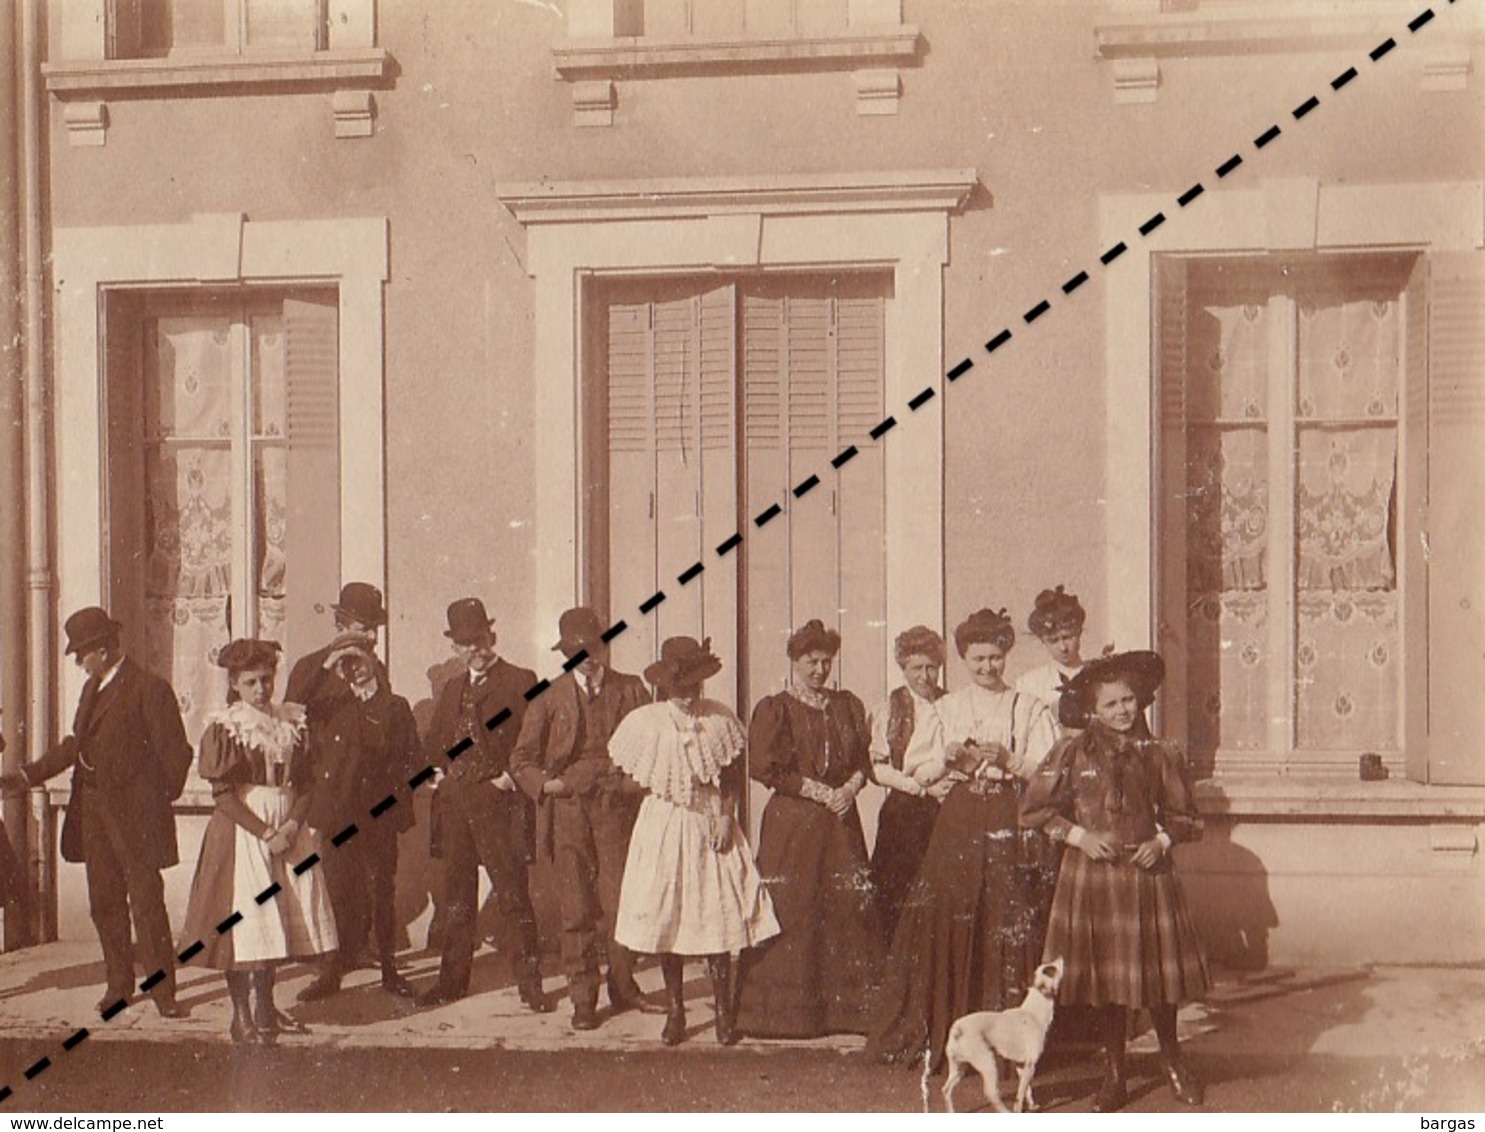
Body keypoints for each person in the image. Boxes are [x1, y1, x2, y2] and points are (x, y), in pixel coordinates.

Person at [866, 607, 1058, 1072]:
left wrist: (1010, 760)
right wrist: (949, 760)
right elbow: (919, 768)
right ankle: (950, 1030)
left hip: (1007, 819)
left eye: (995, 657)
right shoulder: (947, 708)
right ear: (963, 659)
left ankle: (1007, 1040)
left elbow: (1050, 773)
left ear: (1006, 655)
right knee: (952, 915)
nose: (988, 667)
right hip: (959, 820)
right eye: (978, 659)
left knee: (1004, 915)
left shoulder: (1028, 707)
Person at [1020, 650, 1209, 1112]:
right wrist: (1079, 836)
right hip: (1094, 876)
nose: (1123, 711)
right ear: (1092, 710)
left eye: (1129, 701)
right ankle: (1115, 1074)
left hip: (1147, 875)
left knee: (1157, 978)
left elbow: (1188, 818)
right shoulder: (1070, 751)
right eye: (1111, 705)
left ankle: (1172, 1060)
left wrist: (1162, 841)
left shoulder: (1162, 753)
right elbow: (1033, 812)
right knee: (1109, 980)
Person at [0, 607, 192, 1018]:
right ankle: (118, 986)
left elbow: (177, 755)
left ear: (101, 650)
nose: (78, 662)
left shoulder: (148, 688)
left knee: (146, 902)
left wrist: (151, 801)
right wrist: (25, 776)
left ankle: (164, 994)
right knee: (104, 902)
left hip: (135, 820)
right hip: (93, 814)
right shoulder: (92, 689)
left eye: (81, 654)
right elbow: (75, 745)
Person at [610, 637, 780, 1046]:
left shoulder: (719, 719)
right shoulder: (644, 722)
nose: (687, 695)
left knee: (713, 912)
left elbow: (734, 776)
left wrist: (726, 815)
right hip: (665, 822)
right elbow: (621, 780)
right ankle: (676, 1011)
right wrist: (659, 779)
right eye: (679, 687)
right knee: (670, 916)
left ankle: (723, 1012)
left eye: (693, 687)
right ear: (665, 687)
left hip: (708, 823)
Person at [178, 639, 337, 1043]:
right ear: (234, 683)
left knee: (278, 922)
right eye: (250, 683)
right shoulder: (226, 727)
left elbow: (306, 784)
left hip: (288, 831)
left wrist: (291, 827)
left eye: (266, 680)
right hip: (242, 833)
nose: (261, 690)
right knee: (246, 924)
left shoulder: (292, 722)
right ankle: (241, 1015)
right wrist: (265, 831)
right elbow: (223, 796)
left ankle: (266, 1008)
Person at [733, 619, 883, 1039]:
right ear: (794, 661)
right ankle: (789, 1016)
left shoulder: (847, 705)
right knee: (794, 907)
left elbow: (863, 761)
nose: (819, 669)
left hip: (840, 822)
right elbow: (766, 767)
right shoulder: (775, 708)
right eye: (810, 661)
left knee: (846, 906)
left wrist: (849, 789)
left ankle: (848, 1014)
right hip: (794, 824)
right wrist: (822, 792)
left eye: (825, 661)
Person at [511, 606, 655, 1031]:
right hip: (568, 812)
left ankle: (623, 986)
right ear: (565, 654)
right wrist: (547, 786)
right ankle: (583, 997)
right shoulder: (548, 696)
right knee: (575, 908)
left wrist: (629, 785)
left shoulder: (631, 690)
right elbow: (520, 760)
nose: (587, 658)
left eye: (592, 648)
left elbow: (649, 750)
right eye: (577, 651)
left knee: (619, 904)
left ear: (603, 647)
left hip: (616, 811)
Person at [417, 598, 548, 1011]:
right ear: (454, 648)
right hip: (456, 803)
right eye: (464, 643)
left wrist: (509, 779)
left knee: (512, 894)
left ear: (492, 635)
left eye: (478, 639)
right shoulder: (453, 687)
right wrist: (440, 776)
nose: (473, 649)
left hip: (498, 802)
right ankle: (451, 982)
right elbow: (435, 744)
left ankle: (530, 985)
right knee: (456, 895)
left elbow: (536, 741)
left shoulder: (519, 679)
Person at [296, 636, 420, 1002]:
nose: (355, 668)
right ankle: (330, 974)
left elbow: (414, 760)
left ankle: (389, 971)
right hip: (337, 816)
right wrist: (327, 660)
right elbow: (295, 702)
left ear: (374, 662)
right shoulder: (329, 707)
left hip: (378, 817)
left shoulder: (395, 707)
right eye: (348, 664)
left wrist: (397, 803)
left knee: (381, 892)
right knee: (335, 893)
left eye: (360, 659)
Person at [866, 625, 948, 944]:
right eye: (917, 668)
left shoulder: (951, 704)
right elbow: (877, 768)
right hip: (905, 808)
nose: (925, 677)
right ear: (903, 668)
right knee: (896, 886)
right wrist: (919, 788)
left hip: (944, 807)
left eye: (931, 667)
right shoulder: (888, 709)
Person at [284, 582, 390, 711]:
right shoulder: (308, 667)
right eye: (365, 630)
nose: (373, 637)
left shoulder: (377, 669)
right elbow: (290, 717)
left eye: (375, 629)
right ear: (341, 629)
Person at [1016, 585, 1101, 731]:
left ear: (1079, 632)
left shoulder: (1098, 675)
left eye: (1068, 637)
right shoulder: (1029, 684)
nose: (1063, 647)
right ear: (1043, 641)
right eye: (1053, 640)